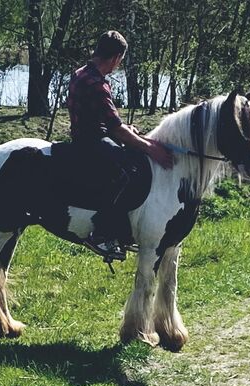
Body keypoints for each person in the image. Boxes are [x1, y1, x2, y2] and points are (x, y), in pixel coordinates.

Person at [67, 30, 173, 260]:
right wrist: (150, 148)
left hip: (83, 136)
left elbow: (105, 120)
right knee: (127, 171)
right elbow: (115, 128)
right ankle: (103, 232)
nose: (118, 65)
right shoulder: (97, 84)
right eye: (120, 60)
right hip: (93, 142)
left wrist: (126, 130)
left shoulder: (81, 73)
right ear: (116, 57)